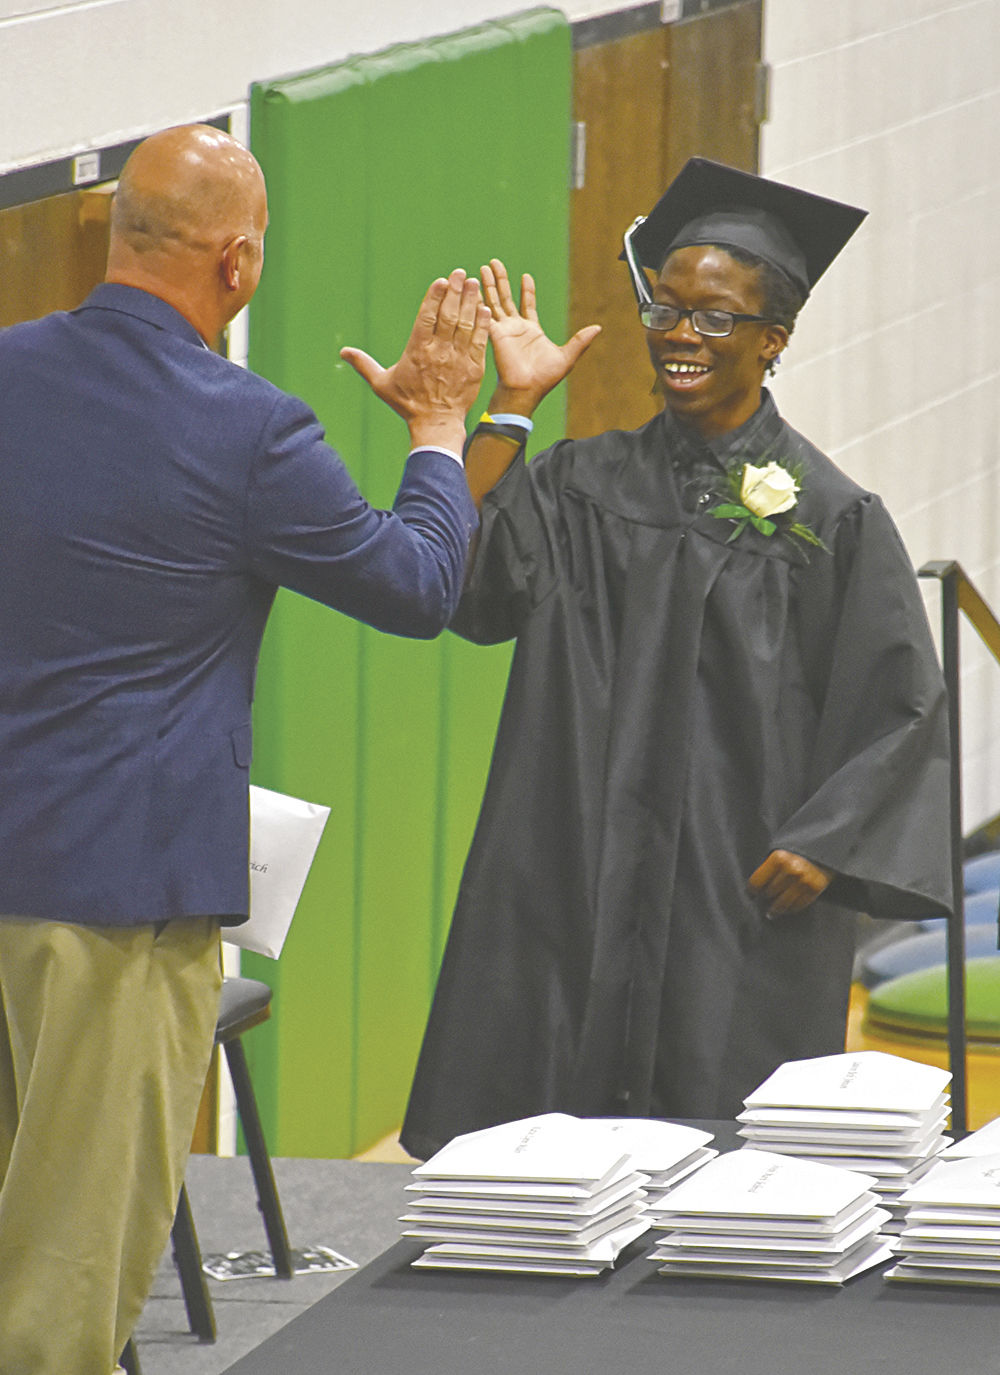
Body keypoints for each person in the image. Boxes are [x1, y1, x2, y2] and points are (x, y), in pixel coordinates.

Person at [0, 123, 489, 1374]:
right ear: (241, 264)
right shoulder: (249, 428)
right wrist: (443, 424)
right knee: (68, 1272)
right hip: (115, 897)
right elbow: (420, 583)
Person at [401, 158, 952, 1162]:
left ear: (772, 340)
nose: (679, 336)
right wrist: (506, 411)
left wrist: (830, 839)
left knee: (725, 1154)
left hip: (727, 884)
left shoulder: (829, 516)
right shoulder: (581, 483)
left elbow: (898, 705)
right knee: (542, 1152)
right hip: (572, 863)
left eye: (713, 318)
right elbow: (461, 581)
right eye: (666, 308)